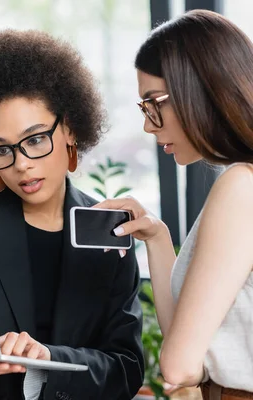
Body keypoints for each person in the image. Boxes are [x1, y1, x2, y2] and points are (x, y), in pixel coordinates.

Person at [0, 29, 145, 400]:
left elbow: (125, 370)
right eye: (1, 150)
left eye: (34, 140)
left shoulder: (108, 228)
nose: (21, 165)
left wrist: (49, 359)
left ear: (68, 129)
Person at [96, 9, 253, 399]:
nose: (148, 124)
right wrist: (157, 237)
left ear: (199, 89)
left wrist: (196, 367)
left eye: (154, 103)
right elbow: (183, 347)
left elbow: (178, 365)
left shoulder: (240, 186)